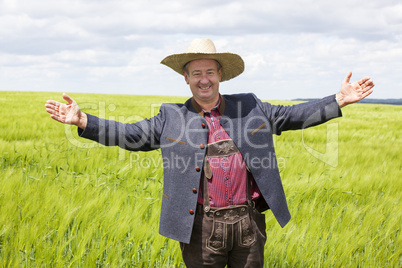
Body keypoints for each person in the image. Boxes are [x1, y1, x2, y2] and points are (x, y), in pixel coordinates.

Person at [45, 38, 374, 267]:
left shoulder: (250, 106)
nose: (204, 80)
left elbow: (291, 116)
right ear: (186, 78)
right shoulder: (171, 117)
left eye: (210, 72)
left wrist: (338, 100)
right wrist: (84, 120)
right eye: (196, 73)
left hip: (249, 224)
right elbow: (132, 134)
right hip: (200, 228)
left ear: (221, 75)